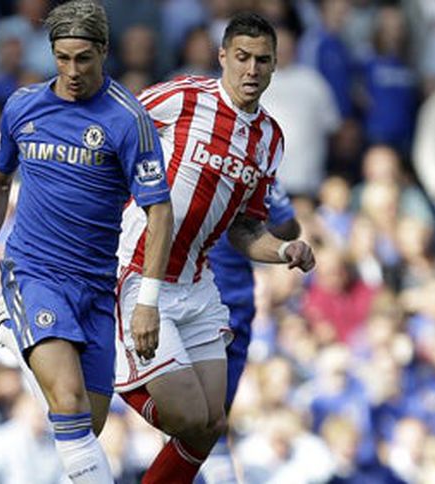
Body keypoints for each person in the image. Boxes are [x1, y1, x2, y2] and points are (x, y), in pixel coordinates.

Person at [0, 2, 174, 483]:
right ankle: (14, 313)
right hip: (34, 272)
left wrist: (148, 301)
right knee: (70, 403)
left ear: (104, 51)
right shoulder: (23, 106)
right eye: (62, 58)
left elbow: (159, 211)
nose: (72, 71)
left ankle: (11, 328)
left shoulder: (127, 119)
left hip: (95, 287)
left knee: (86, 427)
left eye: (83, 58)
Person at [114, 13, 316, 483]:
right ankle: (107, 370)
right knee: (188, 418)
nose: (251, 69)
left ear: (275, 65)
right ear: (222, 56)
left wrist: (284, 252)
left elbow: (246, 230)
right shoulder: (184, 97)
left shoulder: (269, 139)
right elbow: (115, 129)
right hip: (140, 270)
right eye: (242, 57)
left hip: (197, 281)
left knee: (211, 426)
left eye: (262, 60)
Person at [199, 180, 299, 482]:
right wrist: (248, 227)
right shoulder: (254, 166)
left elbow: (288, 226)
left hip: (212, 300)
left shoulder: (170, 162)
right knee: (203, 422)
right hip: (219, 300)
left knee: (203, 423)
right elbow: (287, 225)